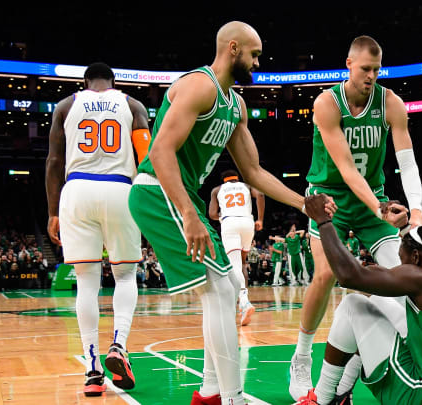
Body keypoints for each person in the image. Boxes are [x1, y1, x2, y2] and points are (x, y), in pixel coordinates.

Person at [126, 21, 334, 405]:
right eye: (254, 54)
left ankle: (209, 393)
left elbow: (253, 171)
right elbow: (159, 152)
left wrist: (301, 202)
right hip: (157, 191)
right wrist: (189, 214)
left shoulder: (235, 105)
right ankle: (231, 397)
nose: (258, 62)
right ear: (233, 48)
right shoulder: (198, 85)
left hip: (177, 196)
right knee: (222, 291)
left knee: (222, 291)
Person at [290, 35, 422, 400]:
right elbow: (348, 169)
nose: (371, 76)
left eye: (377, 70)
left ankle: (351, 374)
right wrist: (379, 207)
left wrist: (416, 210)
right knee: (326, 273)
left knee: (400, 278)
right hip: (328, 198)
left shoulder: (391, 103)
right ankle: (301, 355)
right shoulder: (327, 104)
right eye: (366, 69)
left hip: (372, 202)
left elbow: (407, 162)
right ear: (348, 64)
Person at [294, 194, 422, 405]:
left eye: (402, 260)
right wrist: (403, 227)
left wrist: (323, 222)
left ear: (416, 258)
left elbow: (348, 276)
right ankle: (341, 395)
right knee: (379, 303)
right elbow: (388, 273)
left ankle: (322, 399)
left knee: (353, 306)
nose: (399, 267)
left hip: (416, 396)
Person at [45, 62, 151, 396]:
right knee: (124, 277)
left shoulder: (66, 105)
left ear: (85, 83)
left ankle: (92, 370)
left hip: (76, 191)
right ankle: (119, 344)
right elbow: (147, 156)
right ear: (114, 82)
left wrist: (52, 212)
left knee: (87, 282)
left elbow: (53, 161)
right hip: (120, 189)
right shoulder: (132, 105)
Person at [208, 169, 265, 326]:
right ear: (237, 178)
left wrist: (223, 214)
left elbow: (212, 213)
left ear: (223, 180)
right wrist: (260, 219)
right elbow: (260, 195)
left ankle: (244, 302)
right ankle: (242, 301)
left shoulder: (217, 190)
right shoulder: (246, 186)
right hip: (248, 223)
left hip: (230, 223)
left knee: (234, 265)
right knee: (242, 263)